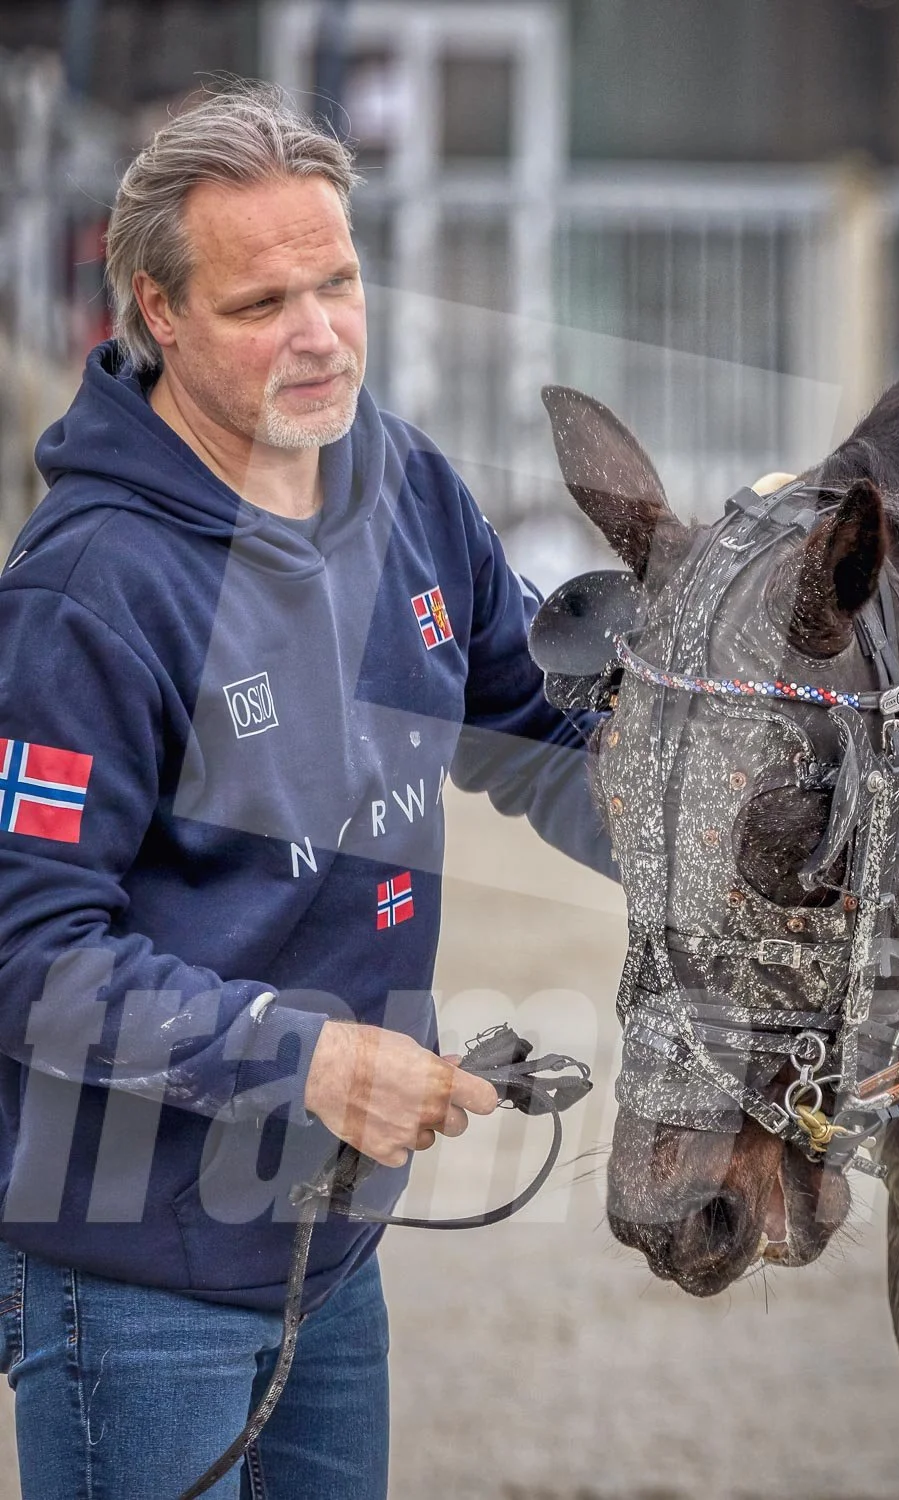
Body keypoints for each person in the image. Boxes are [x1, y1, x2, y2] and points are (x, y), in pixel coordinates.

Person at [0, 81, 613, 1498]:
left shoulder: (402, 487)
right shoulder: (86, 592)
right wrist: (311, 1060)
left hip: (326, 1255)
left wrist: (739, 826)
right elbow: (29, 955)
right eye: (261, 302)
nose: (320, 332)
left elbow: (537, 732)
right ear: (155, 313)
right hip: (129, 1283)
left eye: (335, 280)